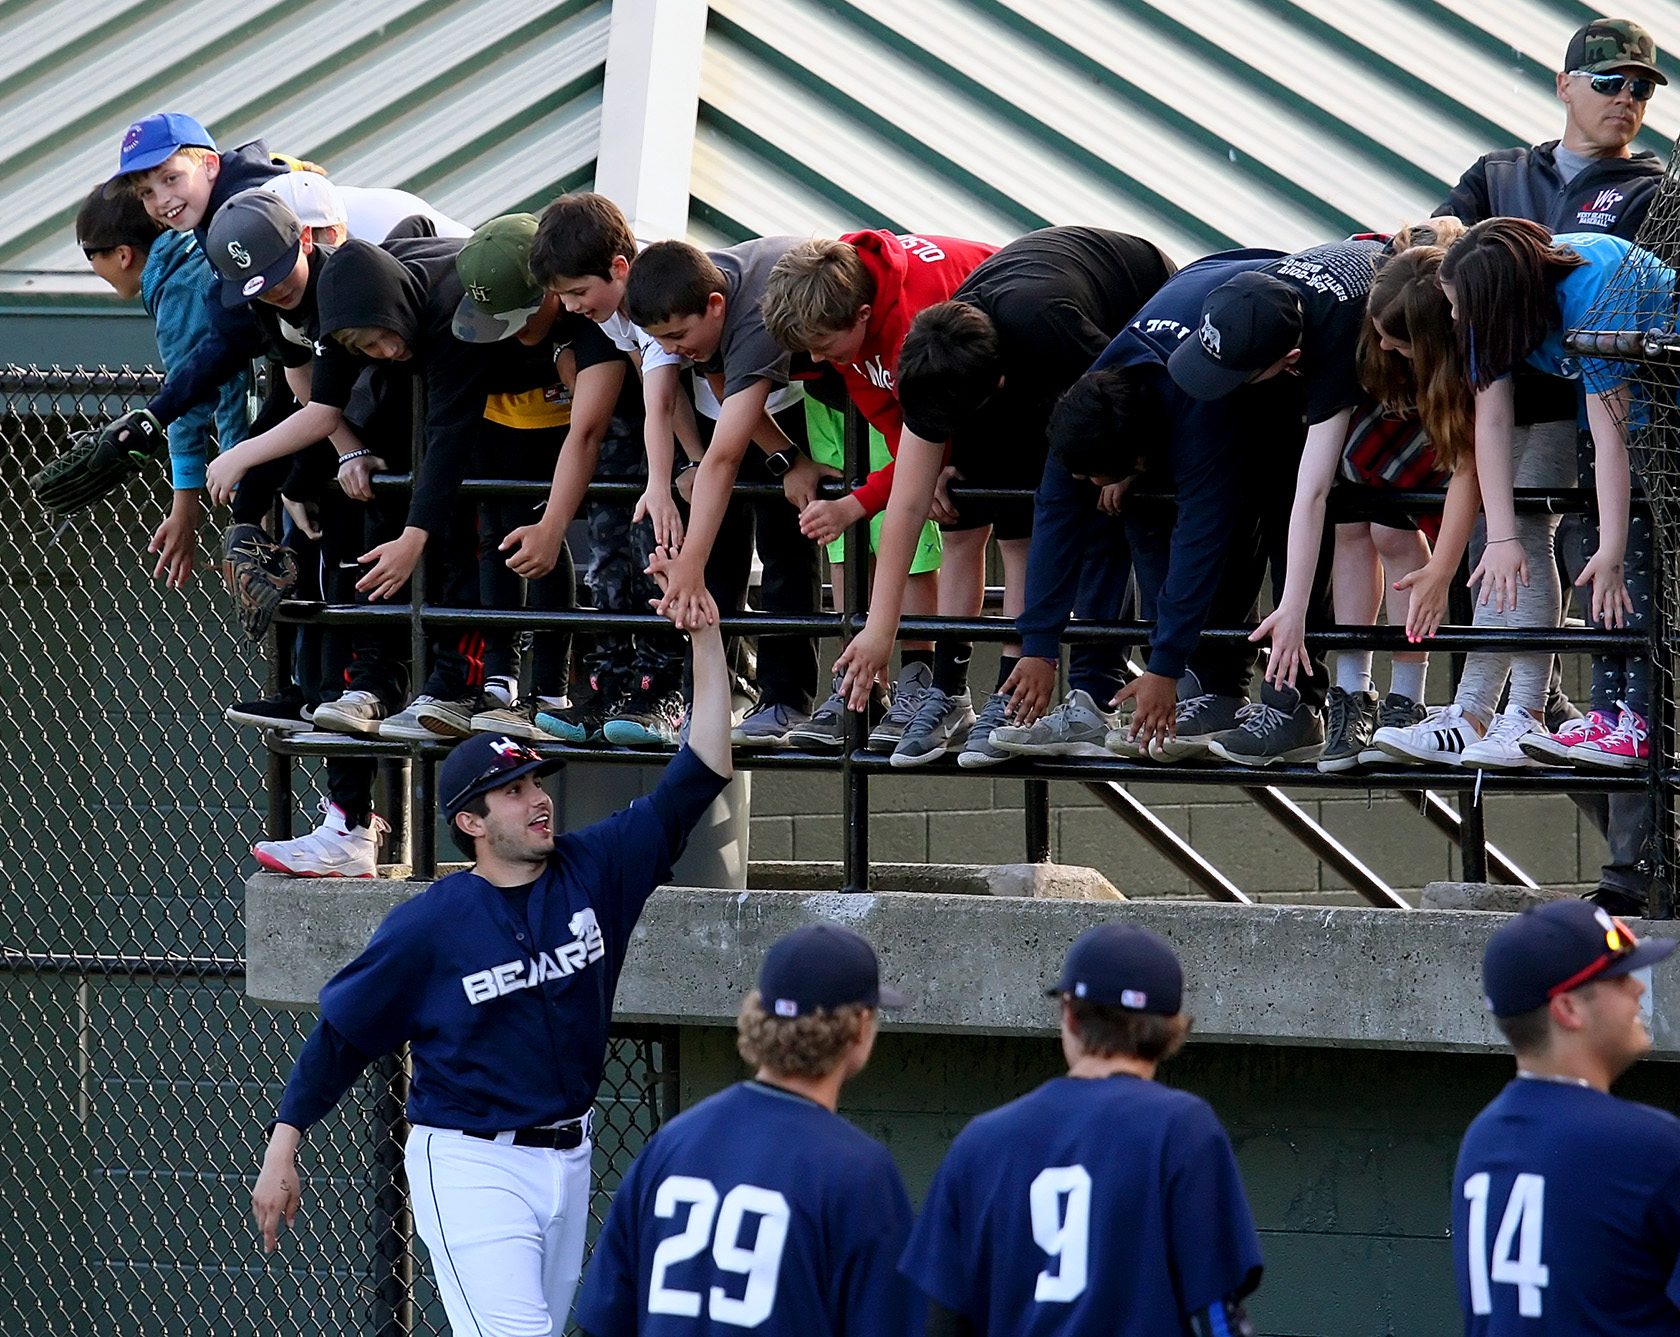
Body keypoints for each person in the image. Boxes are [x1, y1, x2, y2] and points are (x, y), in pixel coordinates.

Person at [250, 599, 735, 1337]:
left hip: (570, 1154)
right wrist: (283, 1144)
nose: (539, 800)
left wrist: (705, 637)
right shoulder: (431, 923)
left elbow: (700, 772)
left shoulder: (594, 866)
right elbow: (343, 1036)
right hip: (473, 1164)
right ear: (471, 822)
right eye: (514, 792)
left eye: (536, 783)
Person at [1435, 16, 1667, 903]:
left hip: (1623, 417)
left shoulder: (1650, 190)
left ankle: (1634, 866)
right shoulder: (1500, 175)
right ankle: (1521, 709)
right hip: (1530, 409)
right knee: (1529, 567)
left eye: (1642, 87)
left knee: (1619, 582)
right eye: (1610, 82)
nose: (1627, 101)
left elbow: (1616, 410)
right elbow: (1434, 256)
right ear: (1565, 85)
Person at [834, 227, 1176, 767]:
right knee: (1036, 500)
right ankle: (995, 692)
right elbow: (905, 503)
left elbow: (1141, 384)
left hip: (1135, 293)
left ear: (997, 389)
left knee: (1110, 506)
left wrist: (1129, 465)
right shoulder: (932, 362)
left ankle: (1125, 686)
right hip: (1027, 322)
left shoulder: (1050, 331)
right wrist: (880, 628)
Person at [1372, 223, 1667, 804]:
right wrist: (1500, 536)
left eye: (1457, 308)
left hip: (1653, 409)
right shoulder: (1484, 308)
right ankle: (1514, 714)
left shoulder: (1594, 292)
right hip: (1597, 413)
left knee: (1619, 565)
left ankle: (1573, 715)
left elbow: (1613, 434)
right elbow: (1491, 421)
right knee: (1542, 555)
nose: (1453, 320)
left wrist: (1609, 548)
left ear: (1491, 299)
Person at [993, 248, 1297, 765]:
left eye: (1095, 475)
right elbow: (1055, 519)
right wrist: (1038, 645)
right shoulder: (1091, 400)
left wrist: (1163, 667)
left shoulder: (1200, 421)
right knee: (1141, 516)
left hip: (1267, 319)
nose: (1086, 484)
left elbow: (1204, 535)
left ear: (1138, 457)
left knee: (1262, 513)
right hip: (1200, 283)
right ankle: (1193, 681)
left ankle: (1241, 691)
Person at [899, 924, 1262, 1337]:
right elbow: (1215, 1317)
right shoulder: (1182, 1127)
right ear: (1171, 1028)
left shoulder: (980, 1141)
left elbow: (941, 1322)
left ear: (1069, 1013)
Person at [573, 923, 922, 1336]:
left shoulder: (673, 1143)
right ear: (861, 1027)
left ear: (759, 1013)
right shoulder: (859, 1170)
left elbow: (605, 1319)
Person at [760, 231, 998, 751]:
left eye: (823, 346)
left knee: (963, 529)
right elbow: (899, 439)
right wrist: (878, 492)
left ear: (862, 315)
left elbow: (919, 459)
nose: (818, 362)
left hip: (995, 384)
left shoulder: (913, 322)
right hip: (946, 393)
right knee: (933, 489)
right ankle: (930, 692)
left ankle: (952, 691)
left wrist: (859, 502)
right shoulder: (850, 323)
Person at [1167, 239, 1393, 763]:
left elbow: (1313, 493)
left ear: (1289, 362)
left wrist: (1291, 608)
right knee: (1246, 493)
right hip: (1292, 361)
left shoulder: (1335, 344)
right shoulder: (1247, 295)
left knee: (1332, 515)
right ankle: (1222, 687)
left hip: (1381, 365)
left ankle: (1296, 704)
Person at [625, 238, 828, 746]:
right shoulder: (694, 295)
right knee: (717, 564)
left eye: (676, 335)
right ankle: (708, 698)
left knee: (787, 550)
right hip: (742, 411)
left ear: (715, 307)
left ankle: (786, 698)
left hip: (799, 402)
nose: (672, 349)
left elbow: (726, 456)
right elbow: (714, 384)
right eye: (660, 339)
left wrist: (688, 561)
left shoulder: (756, 316)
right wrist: (785, 459)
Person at [1454, 899, 1679, 1333]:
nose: (1637, 988)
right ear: (1569, 1010)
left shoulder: (1483, 1137)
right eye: (1617, 978)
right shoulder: (1647, 1146)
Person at [73, 185, 250, 590]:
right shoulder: (191, 259)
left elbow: (190, 396)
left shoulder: (180, 287)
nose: (91, 265)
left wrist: (189, 505)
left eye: (90, 253)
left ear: (122, 254)